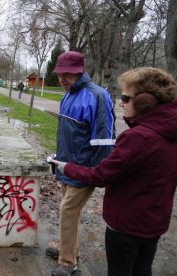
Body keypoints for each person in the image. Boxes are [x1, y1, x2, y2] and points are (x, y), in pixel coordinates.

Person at [50, 67, 177, 276]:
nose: (120, 103)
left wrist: (66, 167)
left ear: (145, 102)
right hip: (155, 222)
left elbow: (101, 175)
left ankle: (68, 259)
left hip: (127, 224)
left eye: (125, 98)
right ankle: (70, 252)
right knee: (143, 269)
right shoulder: (169, 133)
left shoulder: (138, 137)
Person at [48, 51, 116, 276]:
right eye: (59, 74)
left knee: (67, 210)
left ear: (79, 72)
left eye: (67, 74)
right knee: (72, 212)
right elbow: (65, 132)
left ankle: (67, 262)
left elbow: (105, 139)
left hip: (84, 169)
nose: (61, 79)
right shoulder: (67, 95)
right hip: (65, 165)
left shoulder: (97, 95)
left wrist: (98, 173)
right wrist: (57, 158)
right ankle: (69, 248)